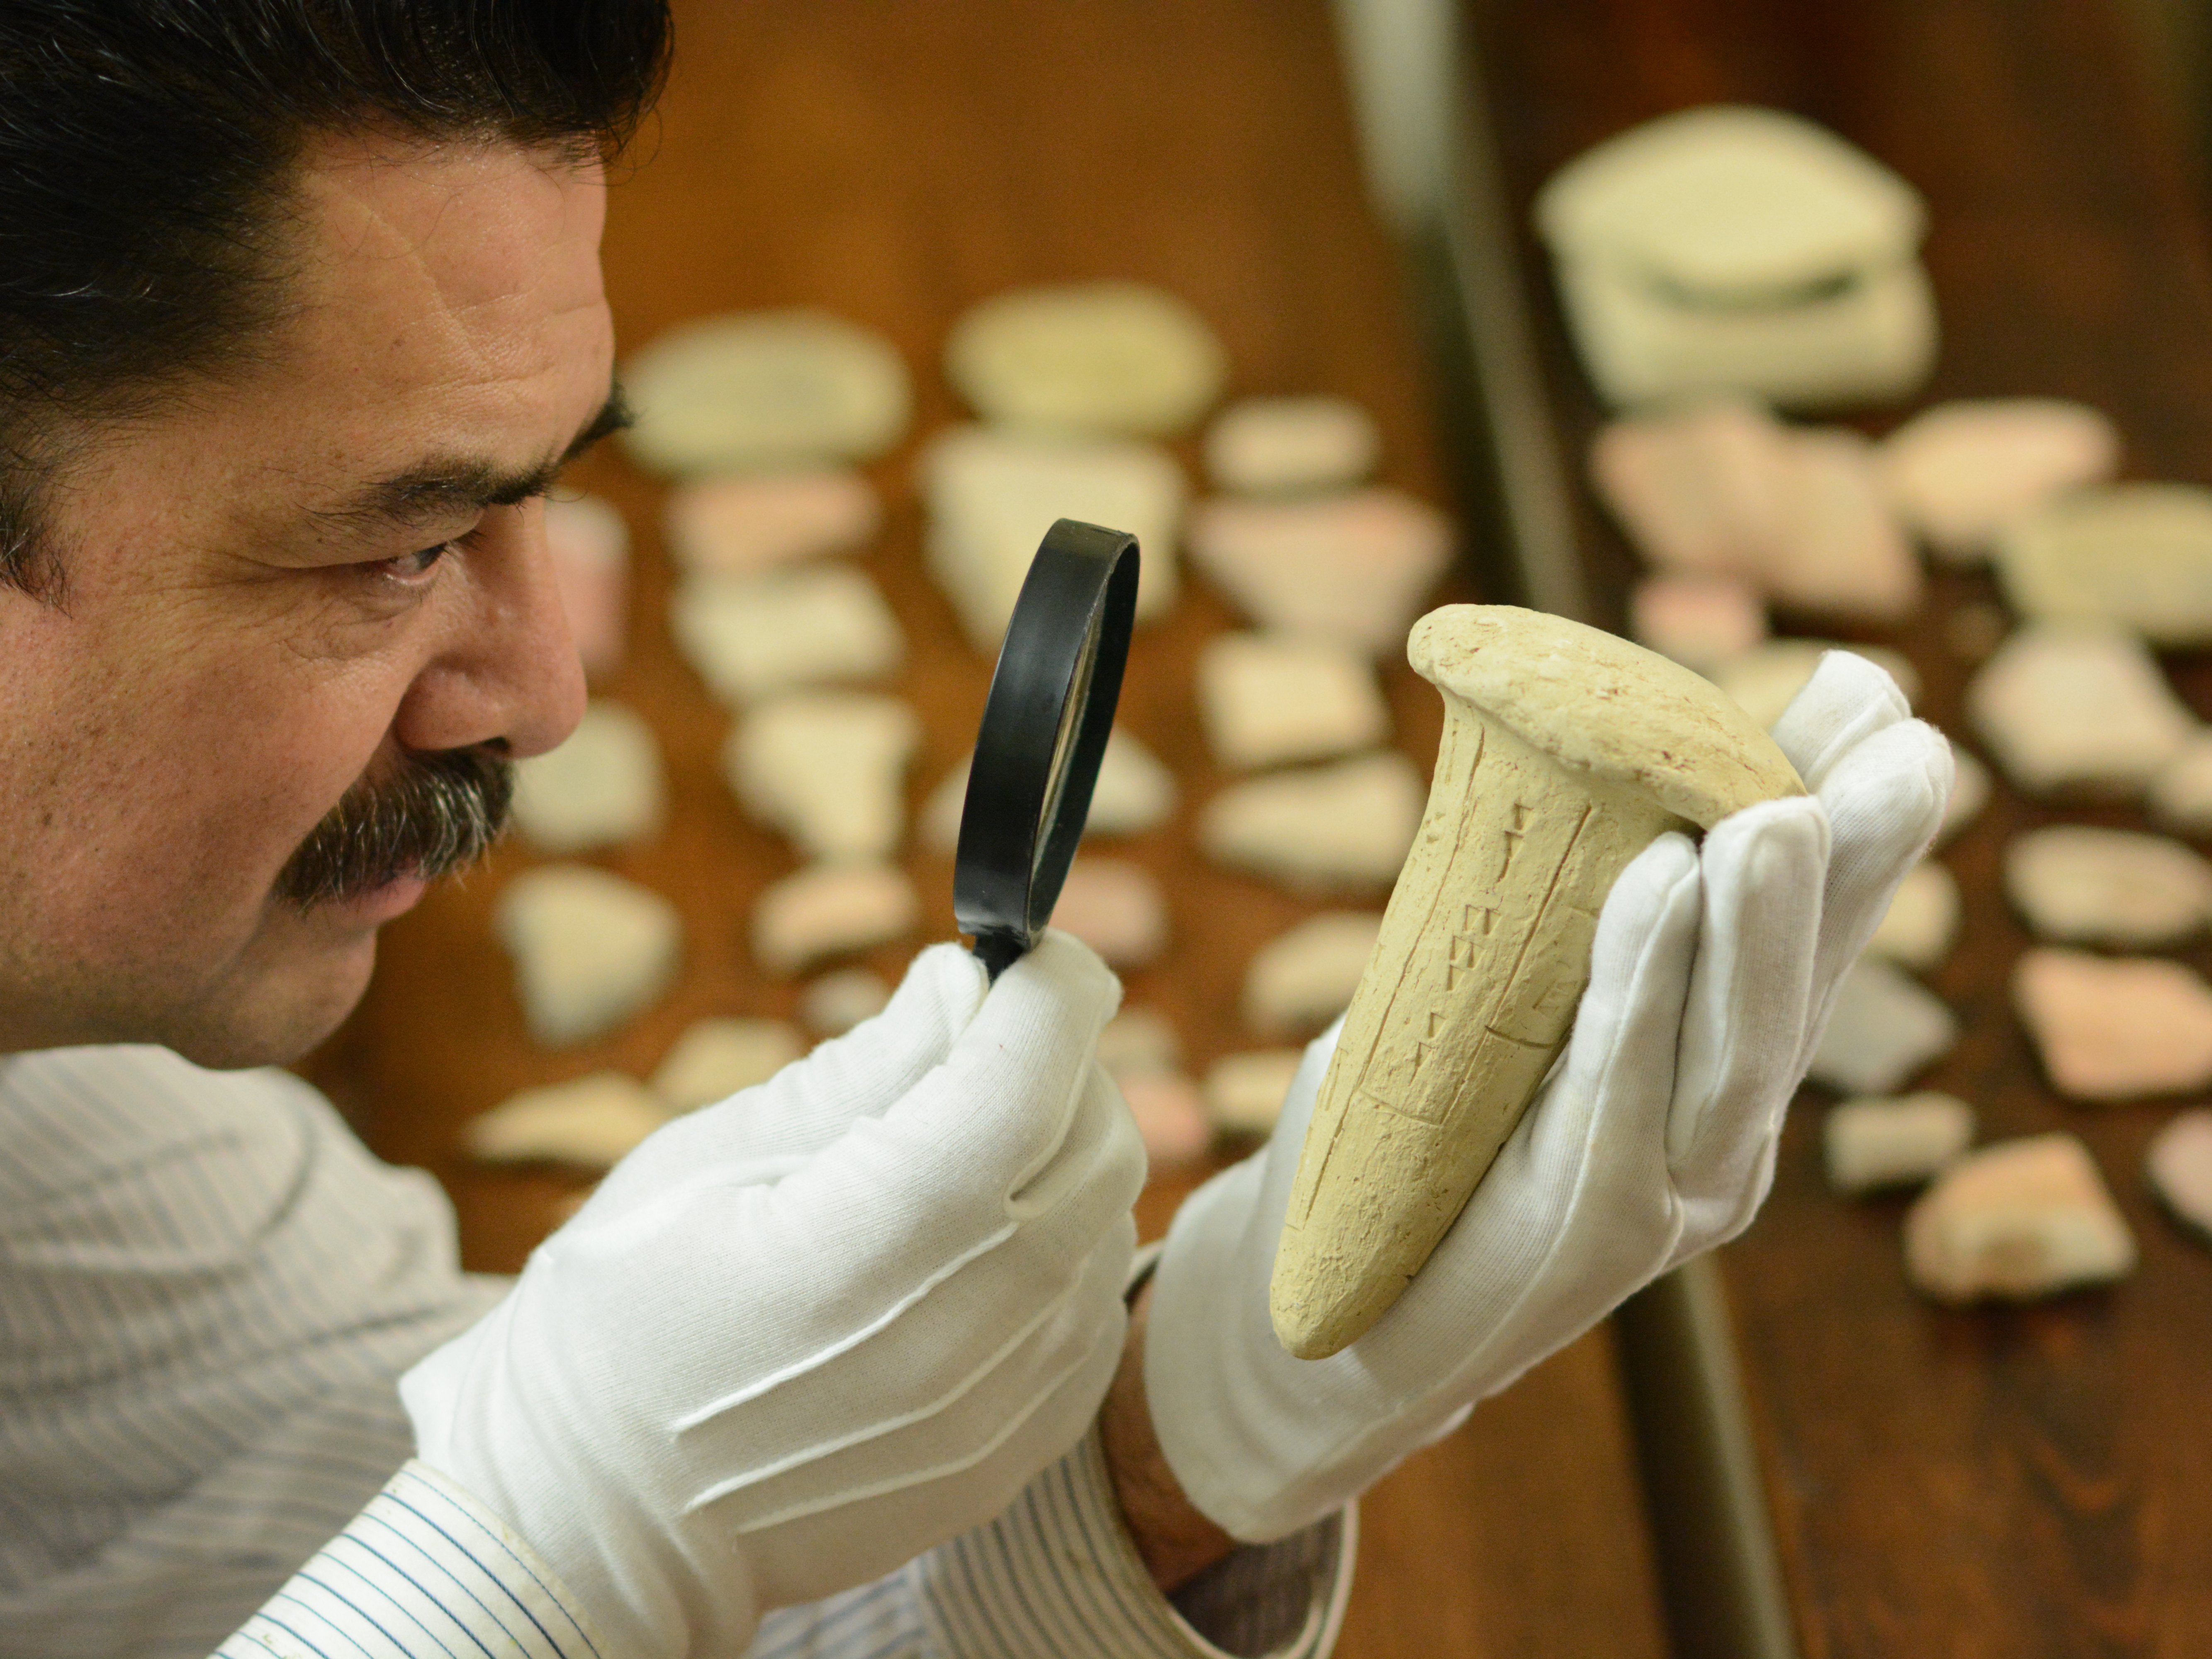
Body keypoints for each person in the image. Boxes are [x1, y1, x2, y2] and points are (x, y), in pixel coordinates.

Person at [0, 4, 1952, 1657]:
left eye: (537, 511)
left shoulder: (67, 1091)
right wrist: (569, 1520)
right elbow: (531, 1563)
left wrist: (1192, 1424)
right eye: (403, 545)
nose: (546, 691)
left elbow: (397, 1558)